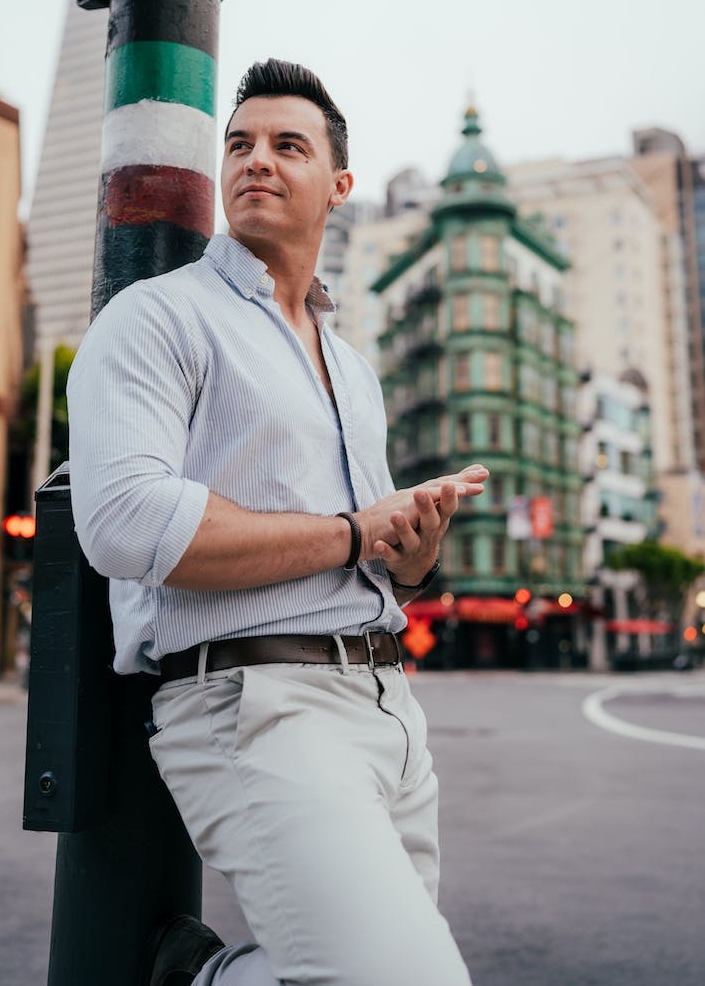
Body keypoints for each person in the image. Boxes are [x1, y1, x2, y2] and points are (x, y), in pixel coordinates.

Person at [68, 59, 486, 986]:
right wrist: (350, 531)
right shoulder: (158, 319)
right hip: (254, 707)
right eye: (240, 143)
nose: (255, 159)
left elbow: (372, 551)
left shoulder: (354, 368)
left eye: (287, 145)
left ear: (338, 186)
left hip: (387, 712)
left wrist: (413, 555)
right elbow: (125, 525)